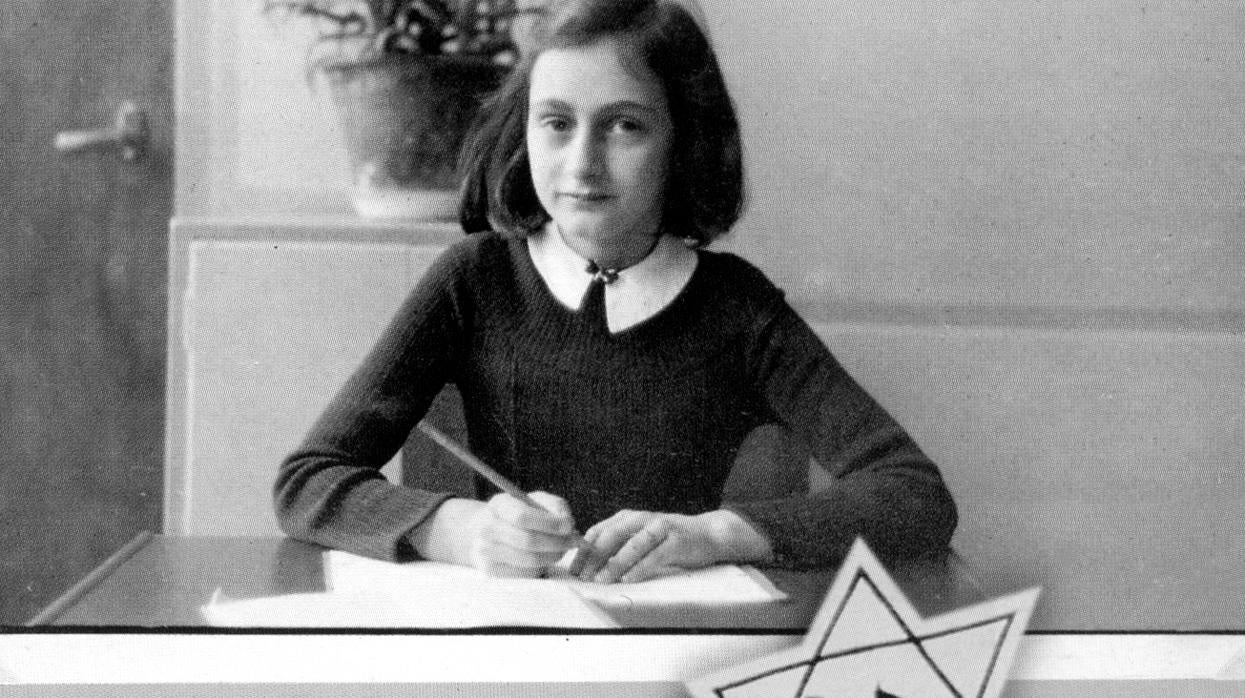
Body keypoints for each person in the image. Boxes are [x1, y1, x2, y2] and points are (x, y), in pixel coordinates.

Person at [275, 0, 957, 584]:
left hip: (669, 653)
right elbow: (307, 480)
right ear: (524, 130)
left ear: (683, 141)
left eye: (625, 125)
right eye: (556, 122)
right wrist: (459, 529)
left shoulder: (737, 308)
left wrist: (716, 534)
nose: (582, 164)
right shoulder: (473, 279)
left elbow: (915, 494)